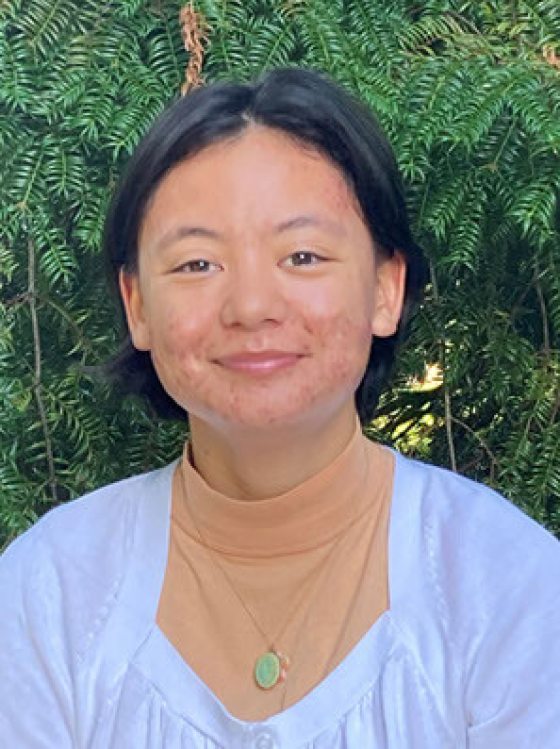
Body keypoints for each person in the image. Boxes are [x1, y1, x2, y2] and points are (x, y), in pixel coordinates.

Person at [1, 67, 559, 749]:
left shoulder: (508, 585)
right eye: (197, 264)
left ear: (387, 287)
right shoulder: (47, 594)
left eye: (302, 254)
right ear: (137, 305)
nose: (251, 307)